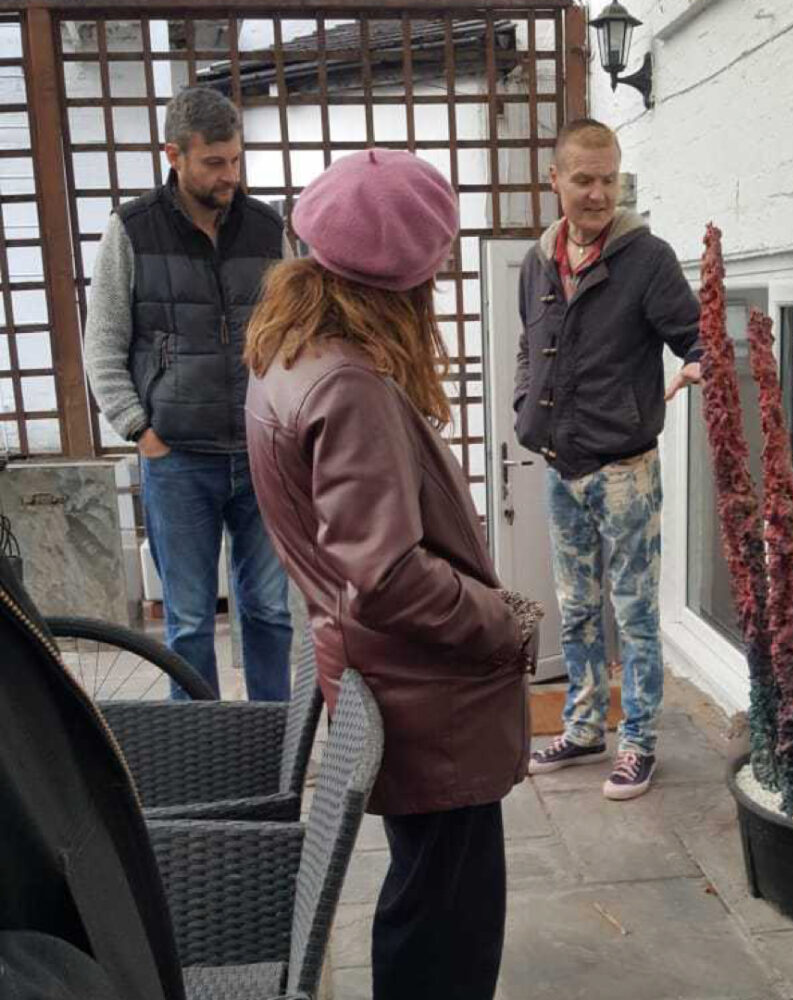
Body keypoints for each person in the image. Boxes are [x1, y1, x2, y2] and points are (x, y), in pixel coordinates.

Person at [244, 149, 538, 1000]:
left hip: (380, 674)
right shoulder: (348, 380)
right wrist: (500, 618)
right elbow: (386, 574)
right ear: (410, 274)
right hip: (422, 695)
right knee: (449, 915)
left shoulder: (288, 346)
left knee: (426, 896)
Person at [83, 86, 292, 701]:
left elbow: (295, 333)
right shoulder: (131, 230)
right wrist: (139, 432)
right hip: (176, 458)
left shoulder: (266, 228)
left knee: (270, 614)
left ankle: (271, 746)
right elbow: (104, 344)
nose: (230, 175)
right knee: (191, 625)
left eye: (235, 160)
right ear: (173, 154)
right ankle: (200, 757)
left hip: (260, 455)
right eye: (214, 163)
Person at [516, 118, 701, 801]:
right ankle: (585, 725)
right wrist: (523, 406)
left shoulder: (647, 258)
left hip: (625, 471)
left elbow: (696, 336)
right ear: (556, 179)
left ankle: (639, 742)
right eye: (584, 179)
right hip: (560, 468)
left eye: (608, 179)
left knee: (633, 610)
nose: (598, 194)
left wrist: (700, 365)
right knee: (575, 611)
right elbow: (528, 349)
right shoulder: (540, 261)